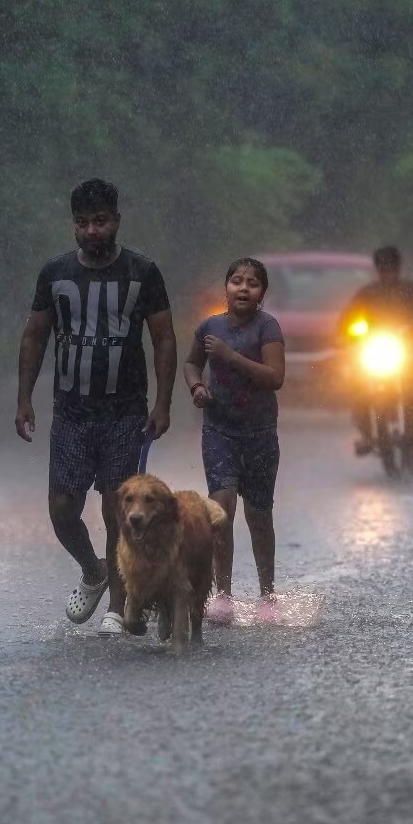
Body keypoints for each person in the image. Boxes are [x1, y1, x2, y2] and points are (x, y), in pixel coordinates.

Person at [15, 179, 176, 637]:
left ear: (117, 221)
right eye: (83, 223)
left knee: (117, 508)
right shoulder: (55, 273)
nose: (92, 231)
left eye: (100, 221)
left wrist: (162, 402)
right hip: (71, 411)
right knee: (62, 508)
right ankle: (94, 569)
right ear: (74, 226)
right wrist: (24, 397)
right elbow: (35, 335)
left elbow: (163, 336)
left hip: (125, 410)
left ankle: (121, 605)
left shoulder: (142, 272)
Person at [183, 258, 286, 625]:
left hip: (259, 434)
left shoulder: (267, 327)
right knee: (221, 511)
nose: (244, 288)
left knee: (258, 516)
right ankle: (222, 595)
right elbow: (192, 363)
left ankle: (267, 595)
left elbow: (275, 377)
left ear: (262, 293)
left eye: (253, 283)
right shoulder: (209, 326)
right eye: (237, 281)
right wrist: (196, 386)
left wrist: (230, 356)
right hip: (219, 430)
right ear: (225, 287)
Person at [339, 246, 413, 454]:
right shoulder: (367, 293)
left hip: (410, 350)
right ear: (377, 270)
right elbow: (347, 318)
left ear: (398, 268)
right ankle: (368, 434)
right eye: (383, 268)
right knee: (359, 391)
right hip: (375, 351)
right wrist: (346, 332)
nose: (388, 273)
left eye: (391, 268)